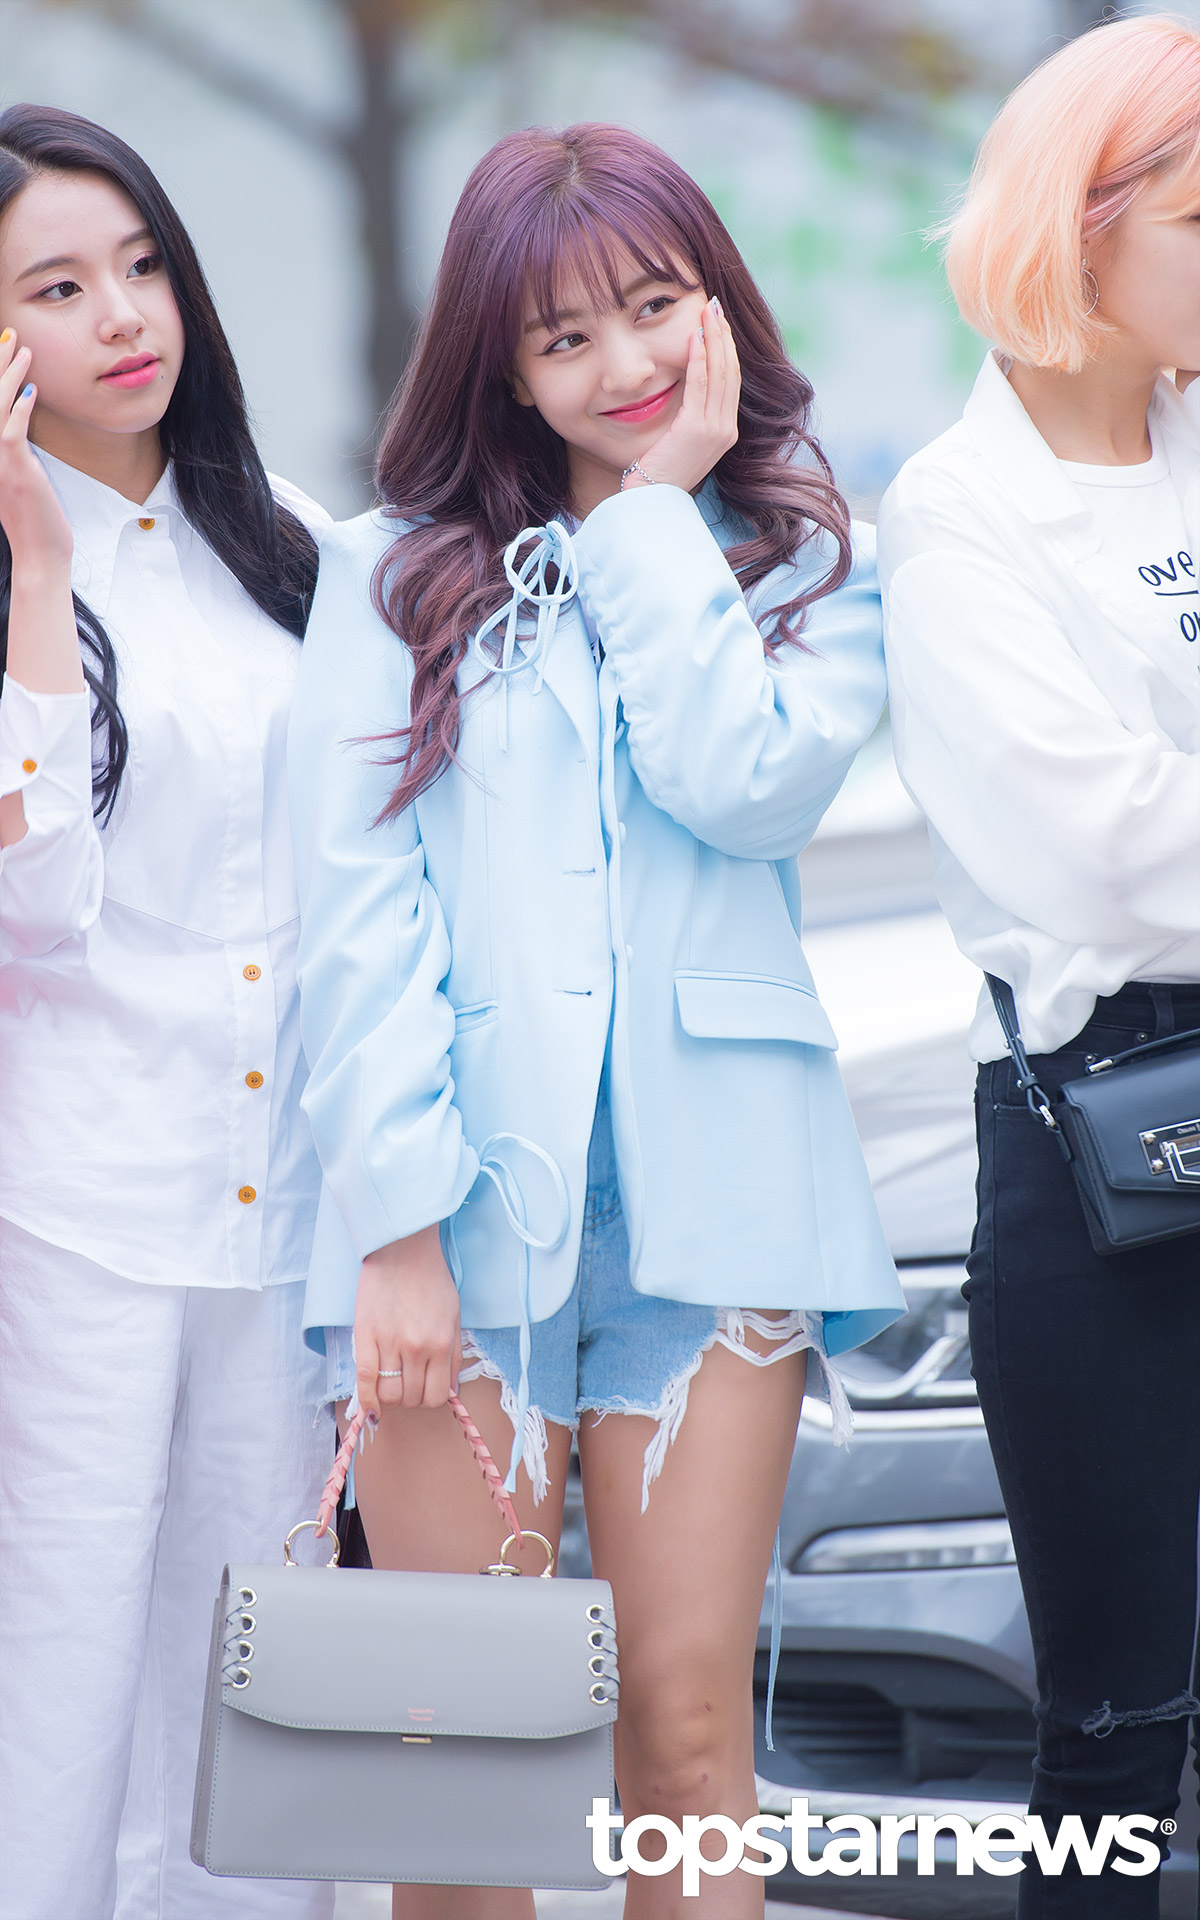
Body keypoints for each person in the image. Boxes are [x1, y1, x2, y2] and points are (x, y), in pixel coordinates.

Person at [289, 122, 904, 1917]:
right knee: (463, 1773)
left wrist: (649, 521)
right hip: (457, 1212)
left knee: (686, 1733)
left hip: (721, 1221)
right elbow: (357, 915)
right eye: (565, 339)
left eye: (652, 307)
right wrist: (396, 1229)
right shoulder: (390, 572)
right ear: (501, 367)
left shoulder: (802, 564)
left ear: (718, 301)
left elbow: (746, 786)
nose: (623, 364)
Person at [876, 18, 1200, 1915]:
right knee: (1117, 1728)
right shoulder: (959, 509)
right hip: (1107, 1151)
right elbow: (1105, 848)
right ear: (1079, 227)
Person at [0, 106, 333, 1920]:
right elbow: (36, 898)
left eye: (141, 266)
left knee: (251, 1695)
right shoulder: (24, 581)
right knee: (55, 1686)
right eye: (57, 287)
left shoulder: (289, 547)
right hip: (73, 1218)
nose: (124, 315)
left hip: (283, 1218)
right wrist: (41, 571)